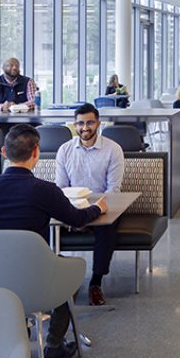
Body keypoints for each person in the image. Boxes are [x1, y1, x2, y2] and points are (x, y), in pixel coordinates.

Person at [0, 124, 108, 358]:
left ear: (4, 152)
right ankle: (54, 344)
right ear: (36, 152)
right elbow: (76, 220)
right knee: (71, 270)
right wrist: (98, 208)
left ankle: (16, 332)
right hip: (34, 277)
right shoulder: (44, 190)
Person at [55, 103, 125, 307]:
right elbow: (60, 188)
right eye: (80, 123)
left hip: (103, 205)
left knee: (106, 226)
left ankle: (96, 282)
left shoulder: (113, 150)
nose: (85, 127)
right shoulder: (65, 150)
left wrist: (91, 214)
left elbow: (113, 191)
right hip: (72, 206)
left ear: (98, 123)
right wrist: (77, 213)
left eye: (90, 123)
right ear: (74, 126)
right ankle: (54, 282)